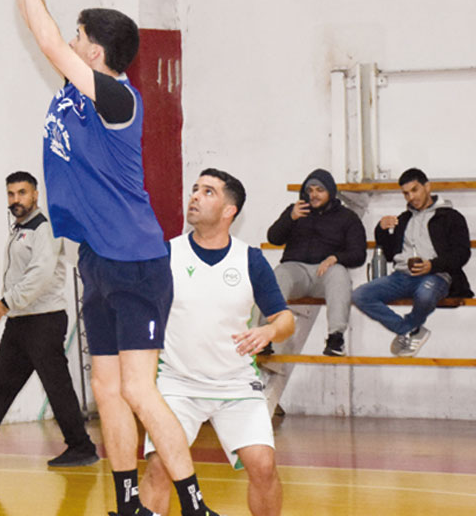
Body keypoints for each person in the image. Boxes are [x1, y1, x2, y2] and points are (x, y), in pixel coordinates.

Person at [0, 0, 218, 516]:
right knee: (109, 394)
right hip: (97, 260)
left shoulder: (117, 98)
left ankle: (193, 505)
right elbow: (47, 35)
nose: (69, 40)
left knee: (138, 389)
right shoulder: (72, 92)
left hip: (137, 259)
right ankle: (128, 505)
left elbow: (42, 34)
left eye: (78, 35)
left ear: (96, 49)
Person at [140, 169, 294, 516]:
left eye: (208, 192)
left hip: (236, 384)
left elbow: (285, 319)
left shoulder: (250, 259)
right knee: (159, 467)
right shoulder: (167, 255)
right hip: (178, 384)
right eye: (195, 189)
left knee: (264, 466)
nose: (194, 196)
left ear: (229, 211)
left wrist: (268, 332)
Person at [0, 171, 97, 469]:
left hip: (44, 320)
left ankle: (81, 446)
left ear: (35, 194)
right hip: (21, 321)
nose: (16, 200)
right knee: (1, 383)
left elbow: (39, 273)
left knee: (57, 386)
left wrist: (6, 302)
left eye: (22, 193)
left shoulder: (44, 228)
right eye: (11, 194)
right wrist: (12, 307)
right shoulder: (20, 229)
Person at [352, 168, 471, 357]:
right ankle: (409, 329)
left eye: (415, 190)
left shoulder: (450, 217)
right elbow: (390, 254)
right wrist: (381, 230)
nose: (411, 197)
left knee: (424, 296)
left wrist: (433, 265)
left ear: (427, 187)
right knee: (360, 295)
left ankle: (408, 328)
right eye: (406, 193)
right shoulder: (403, 219)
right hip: (401, 277)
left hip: (436, 276)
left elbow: (462, 253)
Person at [265, 168, 366, 356]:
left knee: (339, 274)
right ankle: (265, 336)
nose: (314, 195)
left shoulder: (347, 217)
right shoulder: (295, 211)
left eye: (319, 190)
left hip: (325, 272)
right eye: (310, 190)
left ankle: (335, 338)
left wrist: (336, 257)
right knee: (279, 273)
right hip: (297, 271)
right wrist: (290, 218)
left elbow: (358, 254)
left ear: (330, 192)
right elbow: (273, 238)